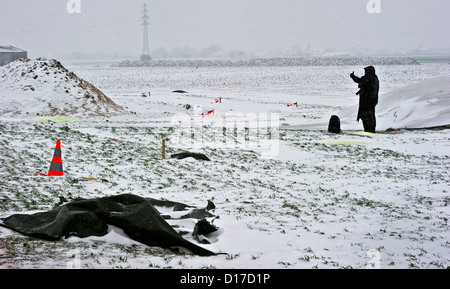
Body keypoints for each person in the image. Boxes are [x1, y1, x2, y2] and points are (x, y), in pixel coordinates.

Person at [350, 66, 379, 133]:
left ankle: (368, 130)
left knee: (366, 116)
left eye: (366, 71)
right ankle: (371, 129)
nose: (365, 73)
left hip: (367, 101)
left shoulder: (369, 78)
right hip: (372, 100)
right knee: (371, 115)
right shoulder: (375, 78)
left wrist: (353, 76)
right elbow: (367, 86)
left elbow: (360, 81)